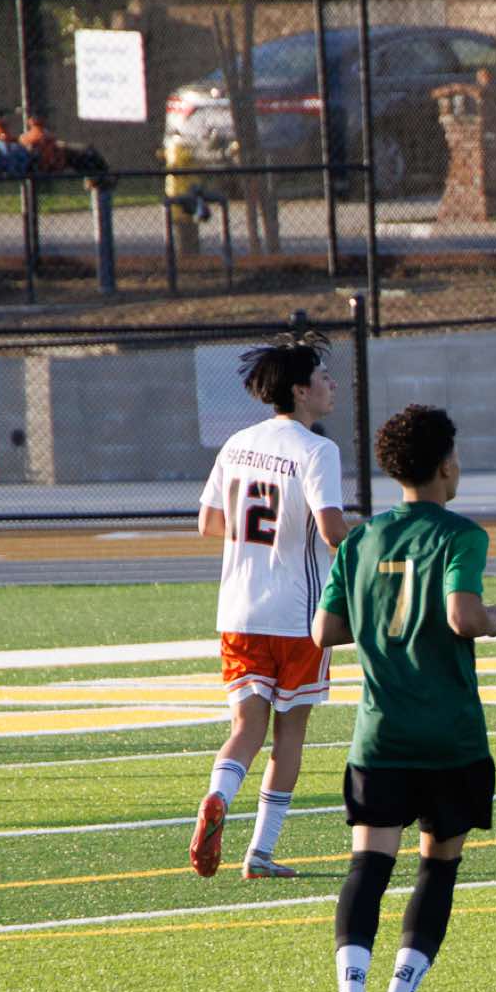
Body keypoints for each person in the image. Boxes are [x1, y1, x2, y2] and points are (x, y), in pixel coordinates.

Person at [310, 405, 496, 992]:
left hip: (380, 735)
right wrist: (495, 618)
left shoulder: (362, 539)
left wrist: (374, 620)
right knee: (438, 866)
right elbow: (462, 615)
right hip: (449, 736)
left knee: (368, 866)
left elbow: (324, 631)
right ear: (446, 465)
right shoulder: (461, 534)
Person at [188, 331, 351, 880]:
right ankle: (260, 852)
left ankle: (218, 794)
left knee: (245, 727)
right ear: (301, 390)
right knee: (290, 733)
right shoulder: (317, 449)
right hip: (299, 616)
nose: (332, 384)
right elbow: (332, 531)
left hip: (239, 610)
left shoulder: (237, 443)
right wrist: (374, 551)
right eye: (323, 377)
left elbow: (209, 523)